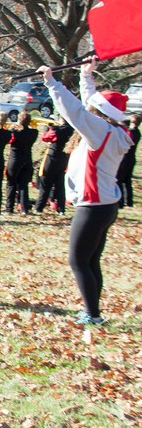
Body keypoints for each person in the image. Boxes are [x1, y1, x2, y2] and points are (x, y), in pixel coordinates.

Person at [39, 59, 132, 325]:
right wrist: (85, 75)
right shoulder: (114, 129)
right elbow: (91, 104)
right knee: (91, 261)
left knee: (78, 261)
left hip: (93, 206)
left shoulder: (101, 131)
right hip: (105, 204)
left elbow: (77, 112)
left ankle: (93, 315)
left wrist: (51, 83)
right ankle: (94, 312)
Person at [34, 114, 74, 213]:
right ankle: (61, 209)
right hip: (63, 158)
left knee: (45, 182)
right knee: (59, 184)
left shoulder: (57, 130)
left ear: (61, 120)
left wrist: (47, 129)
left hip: (52, 157)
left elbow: (45, 138)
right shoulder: (71, 129)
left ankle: (39, 207)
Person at [5, 110, 38, 214]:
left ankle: (9, 208)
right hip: (27, 159)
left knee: (11, 184)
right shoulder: (34, 132)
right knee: (23, 185)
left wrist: (12, 129)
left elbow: (8, 139)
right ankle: (24, 209)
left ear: (19, 120)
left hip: (15, 159)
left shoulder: (15, 133)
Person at [116, 114, 139, 208]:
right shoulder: (137, 132)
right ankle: (129, 201)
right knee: (127, 180)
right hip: (131, 158)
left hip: (126, 158)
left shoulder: (131, 132)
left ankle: (120, 202)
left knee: (120, 180)